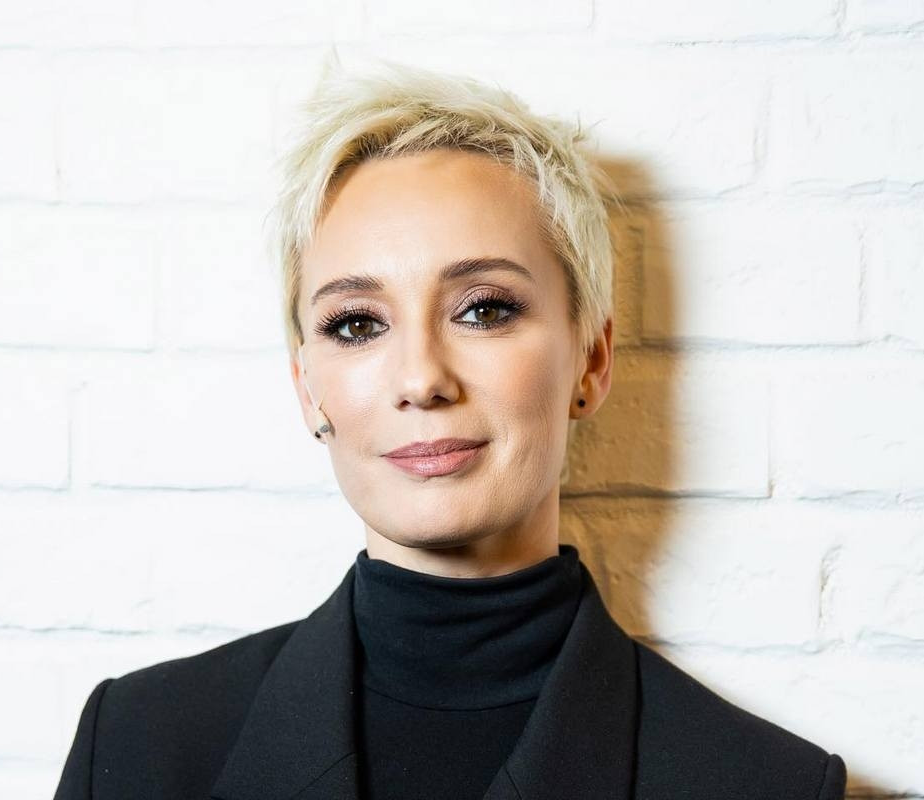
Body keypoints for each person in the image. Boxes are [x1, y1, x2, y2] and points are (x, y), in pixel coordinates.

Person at [52, 58, 847, 800]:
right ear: (307, 388)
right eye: (357, 324)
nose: (421, 379)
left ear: (591, 360)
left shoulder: (769, 784)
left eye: (484, 310)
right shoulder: (136, 741)